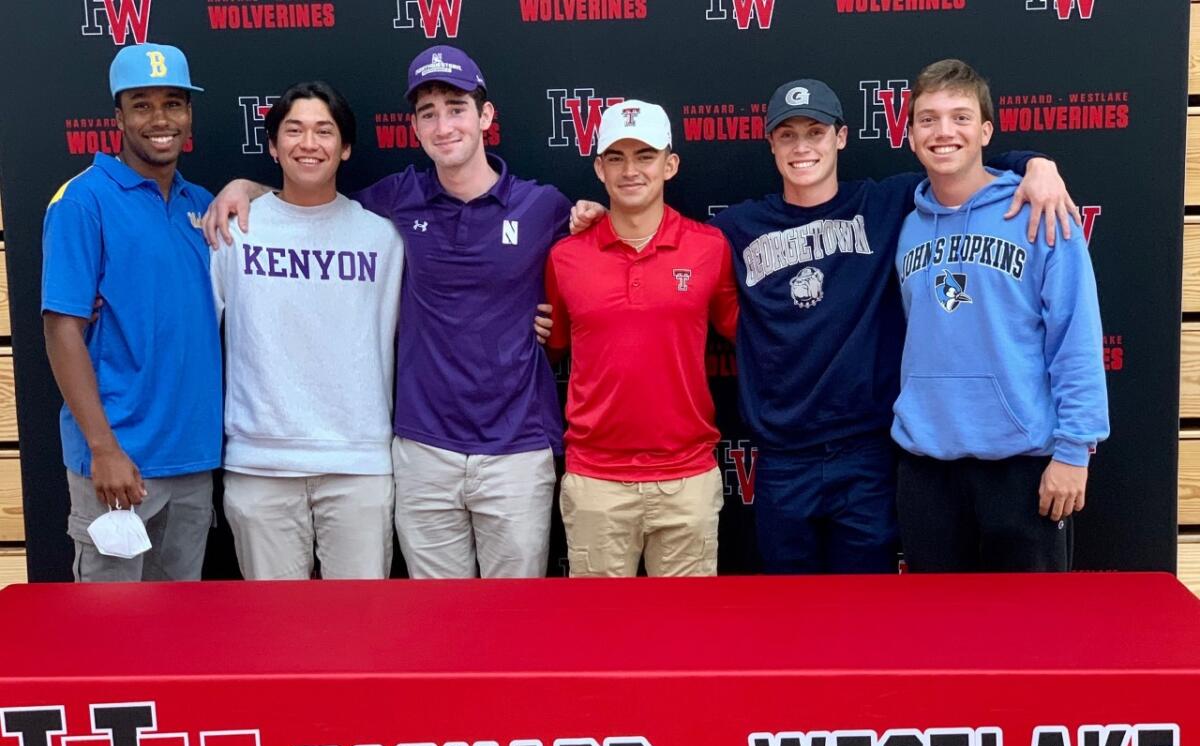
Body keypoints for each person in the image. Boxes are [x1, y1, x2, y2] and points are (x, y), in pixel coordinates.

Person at [575, 77, 1079, 574]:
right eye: (788, 134)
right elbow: (657, 234)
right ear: (771, 143)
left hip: (866, 456)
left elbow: (957, 165)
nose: (802, 148)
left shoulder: (887, 204)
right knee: (789, 620)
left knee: (866, 618)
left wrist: (1034, 164)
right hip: (781, 460)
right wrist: (599, 216)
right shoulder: (732, 231)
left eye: (815, 132)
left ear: (839, 137)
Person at [205, 47, 569, 578]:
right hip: (422, 451)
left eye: (456, 107)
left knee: (513, 625)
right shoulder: (395, 202)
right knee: (432, 626)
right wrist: (246, 188)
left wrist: (595, 218)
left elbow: (604, 259)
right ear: (415, 129)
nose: (443, 125)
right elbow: (309, 194)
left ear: (486, 116)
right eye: (428, 113)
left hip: (515, 451)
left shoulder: (546, 207)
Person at [892, 59, 1108, 572]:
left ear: (986, 130)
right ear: (910, 134)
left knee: (1032, 640)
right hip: (926, 470)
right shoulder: (905, 228)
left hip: (1022, 467)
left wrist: (1075, 450)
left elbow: (1075, 336)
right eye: (928, 119)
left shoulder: (1042, 212)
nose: (944, 132)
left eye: (961, 117)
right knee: (937, 640)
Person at [210, 81, 404, 580]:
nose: (308, 143)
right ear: (273, 146)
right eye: (293, 131)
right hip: (260, 466)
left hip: (358, 463)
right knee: (274, 636)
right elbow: (190, 332)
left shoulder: (382, 237)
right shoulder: (233, 230)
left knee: (361, 632)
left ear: (346, 148)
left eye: (324, 131)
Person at [42, 43, 220, 582]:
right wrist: (104, 449)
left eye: (174, 103)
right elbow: (61, 330)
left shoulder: (201, 205)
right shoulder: (82, 200)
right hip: (119, 464)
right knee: (109, 638)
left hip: (191, 460)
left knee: (177, 633)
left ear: (189, 114)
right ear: (118, 117)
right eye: (142, 105)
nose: (161, 120)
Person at [545, 101, 738, 577]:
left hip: (686, 478)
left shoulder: (709, 248)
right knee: (598, 641)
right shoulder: (565, 256)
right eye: (616, 157)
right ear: (599, 168)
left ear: (669, 164)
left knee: (687, 640)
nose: (631, 170)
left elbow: (744, 332)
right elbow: (554, 345)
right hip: (596, 481)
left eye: (645, 156)